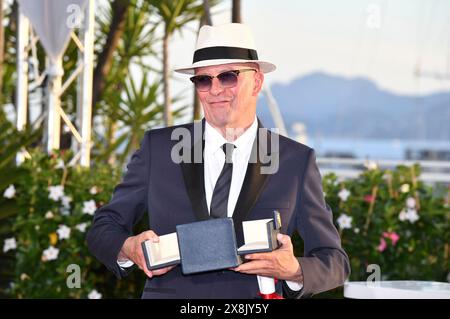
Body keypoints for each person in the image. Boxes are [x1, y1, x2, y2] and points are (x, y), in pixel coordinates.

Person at [87, 23, 350, 299]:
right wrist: (128, 247)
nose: (214, 90)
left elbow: (335, 261)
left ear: (257, 82)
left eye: (228, 77)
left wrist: (294, 269)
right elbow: (104, 227)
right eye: (203, 80)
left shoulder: (295, 162)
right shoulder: (160, 149)